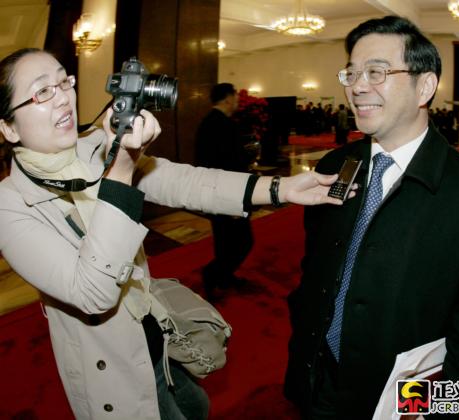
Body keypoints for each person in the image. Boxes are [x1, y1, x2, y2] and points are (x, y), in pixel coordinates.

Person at [0, 49, 350, 420]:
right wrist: (122, 168)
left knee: (196, 407)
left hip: (159, 339)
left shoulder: (96, 146)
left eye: (63, 81)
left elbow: (186, 182)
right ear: (8, 128)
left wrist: (281, 188)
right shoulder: (10, 204)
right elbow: (93, 293)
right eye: (42, 92)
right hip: (113, 371)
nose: (63, 97)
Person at [284, 16, 459, 419]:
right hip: (317, 381)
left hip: (401, 402)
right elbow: (315, 268)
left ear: (425, 86)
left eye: (377, 72)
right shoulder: (334, 165)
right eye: (351, 73)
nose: (357, 87)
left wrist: (429, 412)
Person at [194, 83, 253, 299]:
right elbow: (231, 164)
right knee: (243, 241)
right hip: (228, 194)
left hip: (213, 192)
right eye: (235, 97)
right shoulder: (225, 126)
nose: (237, 101)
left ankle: (224, 277)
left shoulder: (208, 123)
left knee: (224, 241)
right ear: (228, 98)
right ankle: (213, 273)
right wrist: (235, 202)